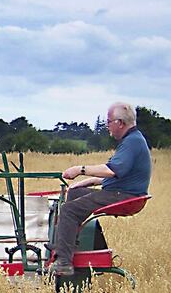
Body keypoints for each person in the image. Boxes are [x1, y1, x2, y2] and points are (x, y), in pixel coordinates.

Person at [51, 102, 151, 276]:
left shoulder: (132, 142)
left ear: (120, 123)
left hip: (123, 196)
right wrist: (86, 182)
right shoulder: (133, 140)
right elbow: (117, 172)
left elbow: (111, 170)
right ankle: (69, 242)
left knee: (68, 210)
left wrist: (79, 170)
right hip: (120, 193)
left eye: (109, 122)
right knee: (75, 193)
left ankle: (63, 263)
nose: (107, 126)